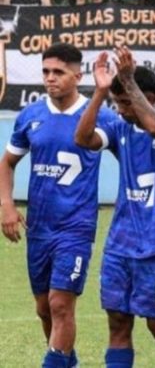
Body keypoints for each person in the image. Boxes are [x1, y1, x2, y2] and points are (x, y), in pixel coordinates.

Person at [73, 47, 155, 368]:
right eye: (117, 103)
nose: (121, 110)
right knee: (118, 322)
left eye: (125, 102)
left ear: (149, 96)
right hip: (119, 247)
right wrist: (100, 93)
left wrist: (128, 81)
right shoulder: (119, 127)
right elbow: (83, 139)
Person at [0, 42, 115, 368]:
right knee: (43, 309)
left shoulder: (99, 116)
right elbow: (6, 163)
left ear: (78, 75)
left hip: (75, 227)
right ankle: (67, 361)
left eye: (59, 72)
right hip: (39, 227)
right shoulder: (31, 115)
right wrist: (6, 205)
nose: (50, 78)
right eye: (46, 71)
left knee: (61, 305)